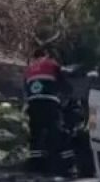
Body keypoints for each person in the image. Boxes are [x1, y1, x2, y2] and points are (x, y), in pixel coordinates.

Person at [23, 47, 67, 175]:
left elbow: (25, 88)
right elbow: (62, 82)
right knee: (54, 132)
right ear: (46, 55)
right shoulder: (51, 64)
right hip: (49, 103)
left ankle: (36, 165)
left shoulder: (29, 68)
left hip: (33, 104)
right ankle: (54, 165)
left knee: (36, 133)